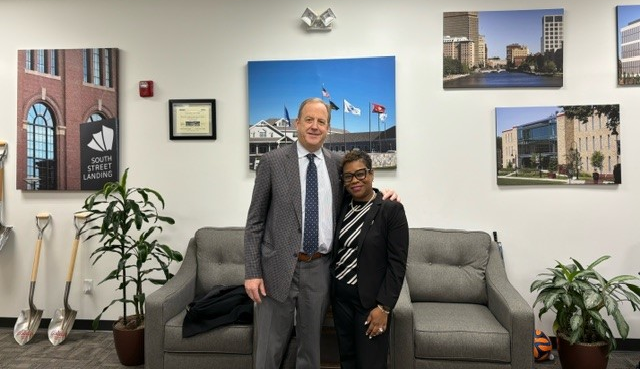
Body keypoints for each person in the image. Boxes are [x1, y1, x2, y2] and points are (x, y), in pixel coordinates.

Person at [244, 97, 398, 369]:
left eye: (321, 121)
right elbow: (255, 221)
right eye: (309, 120)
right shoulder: (272, 162)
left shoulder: (337, 164)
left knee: (310, 349)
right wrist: (253, 272)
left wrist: (382, 195)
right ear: (297, 123)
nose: (315, 126)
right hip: (276, 269)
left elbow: (359, 186)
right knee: (269, 348)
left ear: (328, 127)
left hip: (320, 268)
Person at [331, 149, 409, 369]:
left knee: (371, 362)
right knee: (347, 360)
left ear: (372, 174)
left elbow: (397, 264)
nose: (355, 180)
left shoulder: (391, 210)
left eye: (361, 173)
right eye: (348, 176)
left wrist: (384, 308)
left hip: (370, 303)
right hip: (340, 298)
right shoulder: (343, 206)